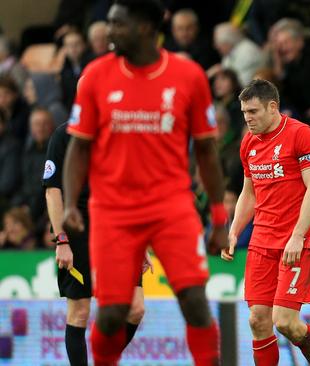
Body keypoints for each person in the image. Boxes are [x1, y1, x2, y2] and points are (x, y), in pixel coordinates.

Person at [61, 1, 228, 365]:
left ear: (146, 26)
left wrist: (218, 216)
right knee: (111, 313)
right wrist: (71, 203)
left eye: (118, 24)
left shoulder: (189, 76)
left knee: (195, 302)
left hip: (172, 207)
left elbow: (207, 152)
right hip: (113, 210)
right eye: (108, 23)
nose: (109, 32)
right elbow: (78, 147)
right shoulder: (95, 75)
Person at [222, 79, 310, 365]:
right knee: (258, 321)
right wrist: (234, 230)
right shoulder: (248, 142)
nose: (248, 118)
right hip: (261, 241)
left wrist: (297, 235)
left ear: (273, 107)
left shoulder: (301, 135)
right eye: (244, 112)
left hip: (297, 241)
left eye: (253, 111)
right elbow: (250, 192)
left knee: (285, 322)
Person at [44, 122, 147, 365]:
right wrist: (62, 239)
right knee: (79, 312)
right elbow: (52, 191)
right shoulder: (64, 135)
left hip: (119, 228)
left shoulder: (122, 132)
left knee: (135, 309)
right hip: (78, 228)